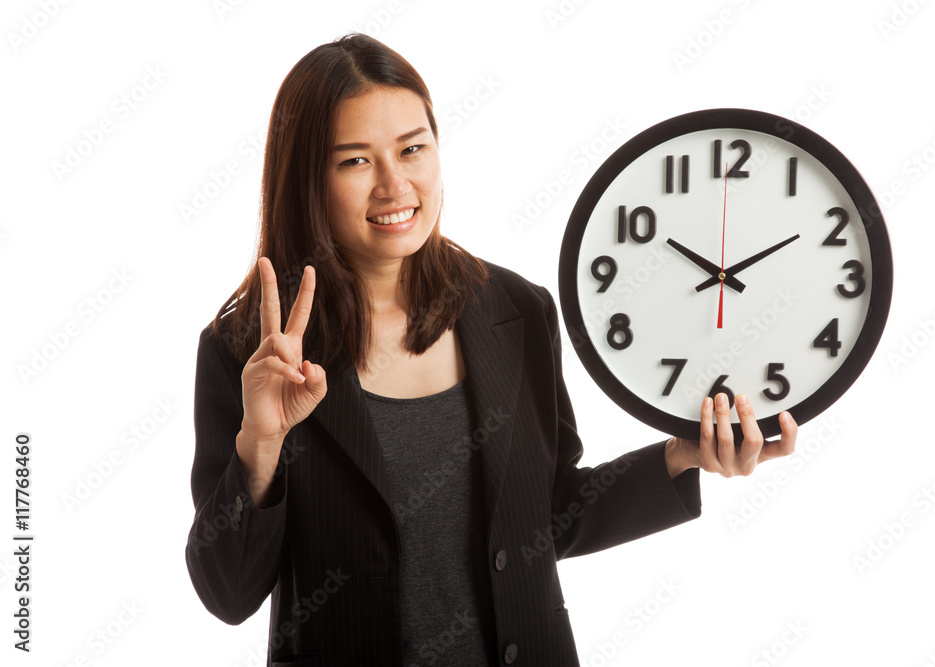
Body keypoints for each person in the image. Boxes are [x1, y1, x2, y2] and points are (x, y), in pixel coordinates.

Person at [185, 33, 798, 667]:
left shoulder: (517, 309)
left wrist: (683, 456)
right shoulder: (248, 350)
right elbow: (227, 593)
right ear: (307, 178)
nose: (396, 185)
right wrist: (259, 443)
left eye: (413, 149)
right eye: (355, 161)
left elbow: (549, 516)